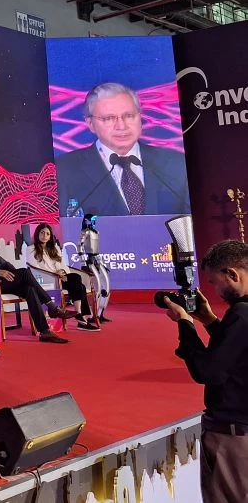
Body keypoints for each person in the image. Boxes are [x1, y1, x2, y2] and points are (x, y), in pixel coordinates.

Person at [162, 240, 248, 503]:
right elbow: (238, 350)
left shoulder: (242, 314)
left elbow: (209, 371)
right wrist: (210, 321)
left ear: (232, 274)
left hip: (234, 436)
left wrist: (185, 324)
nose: (216, 291)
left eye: (214, 282)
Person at [55, 82, 190, 217]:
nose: (121, 126)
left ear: (140, 116)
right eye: (108, 118)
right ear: (90, 124)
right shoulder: (63, 171)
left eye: (129, 116)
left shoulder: (177, 164)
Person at [0, 220, 76, 344]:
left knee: (29, 289)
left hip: (3, 281)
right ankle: (52, 307)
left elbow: (3, 262)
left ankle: (44, 331)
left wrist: (14, 273)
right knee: (25, 272)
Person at [25, 223, 99, 331]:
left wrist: (63, 272)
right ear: (37, 234)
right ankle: (80, 318)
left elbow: (62, 264)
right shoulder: (31, 249)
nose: (44, 236)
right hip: (46, 279)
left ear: (50, 236)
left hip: (60, 277)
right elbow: (35, 267)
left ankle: (79, 315)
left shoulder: (54, 248)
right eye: (42, 233)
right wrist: (56, 274)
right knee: (78, 283)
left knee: (78, 282)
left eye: (47, 234)